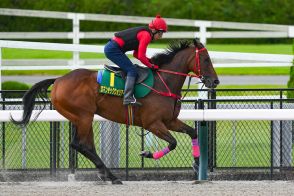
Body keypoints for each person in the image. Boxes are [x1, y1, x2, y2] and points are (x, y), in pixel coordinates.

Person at [104, 15, 168, 106]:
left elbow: (136, 54)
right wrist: (151, 66)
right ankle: (127, 98)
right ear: (154, 30)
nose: (160, 37)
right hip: (113, 49)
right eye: (160, 34)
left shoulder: (145, 33)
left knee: (131, 68)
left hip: (113, 48)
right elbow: (141, 56)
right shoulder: (146, 35)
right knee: (132, 70)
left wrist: (149, 61)